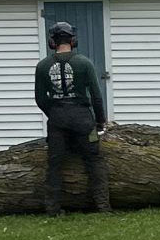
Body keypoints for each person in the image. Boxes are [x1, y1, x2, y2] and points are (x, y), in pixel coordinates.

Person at [33, 21, 110, 214]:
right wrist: (100, 121)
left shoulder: (42, 66)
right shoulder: (84, 63)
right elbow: (96, 96)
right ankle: (103, 208)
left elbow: (40, 98)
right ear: (73, 40)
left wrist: (55, 113)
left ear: (52, 42)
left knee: (55, 164)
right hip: (84, 121)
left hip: (57, 121)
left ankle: (52, 209)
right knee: (94, 161)